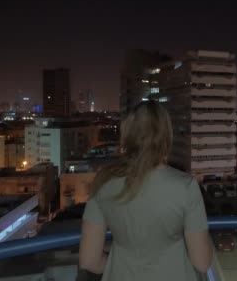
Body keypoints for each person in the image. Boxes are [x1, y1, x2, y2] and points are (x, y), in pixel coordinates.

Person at [79, 101, 212, 281]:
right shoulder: (185, 186)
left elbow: (89, 261)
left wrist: (118, 264)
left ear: (128, 135)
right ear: (166, 136)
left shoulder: (103, 181)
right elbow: (201, 262)